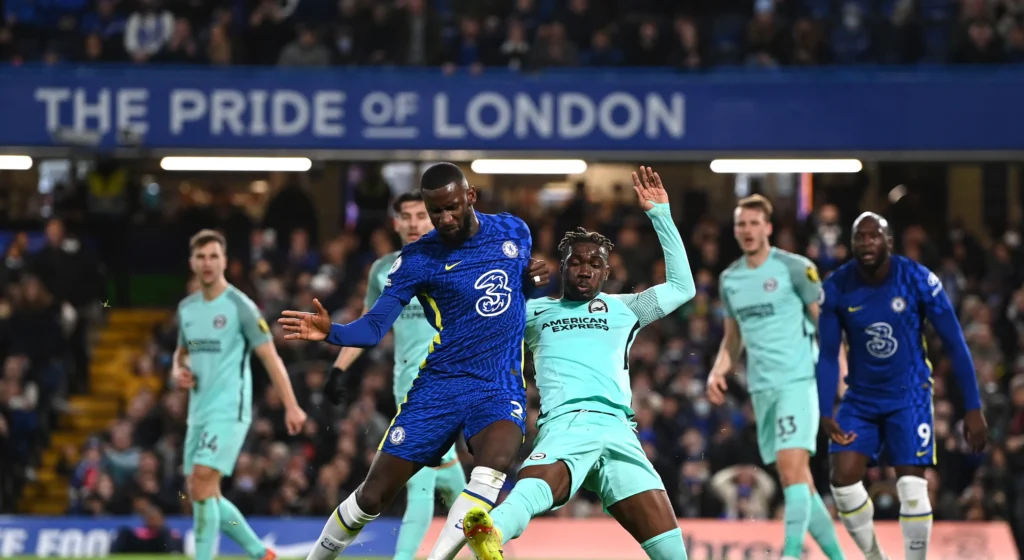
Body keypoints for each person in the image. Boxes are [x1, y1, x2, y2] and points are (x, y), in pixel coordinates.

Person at [278, 162, 550, 560]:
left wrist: (533, 280)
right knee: (372, 496)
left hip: (498, 384)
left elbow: (519, 286)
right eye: (435, 211)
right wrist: (331, 331)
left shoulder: (513, 230)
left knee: (492, 469)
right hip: (440, 387)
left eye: (452, 207)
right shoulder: (418, 258)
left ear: (470, 197)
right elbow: (373, 328)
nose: (445, 218)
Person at [461, 167, 693, 560]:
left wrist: (661, 216)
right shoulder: (533, 312)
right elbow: (477, 323)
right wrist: (514, 282)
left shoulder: (625, 308)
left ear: (607, 271)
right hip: (567, 423)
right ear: (562, 265)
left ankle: (492, 531)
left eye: (594, 263)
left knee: (672, 551)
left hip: (619, 431)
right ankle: (491, 532)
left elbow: (682, 288)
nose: (585, 269)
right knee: (535, 489)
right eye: (576, 261)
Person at [816, 212, 988, 560]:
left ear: (889, 243)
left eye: (874, 236)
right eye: (860, 237)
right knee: (842, 481)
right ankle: (875, 557)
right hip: (860, 399)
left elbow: (955, 343)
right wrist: (824, 410)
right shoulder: (836, 287)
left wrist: (973, 407)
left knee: (911, 487)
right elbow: (829, 356)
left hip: (909, 396)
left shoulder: (918, 279)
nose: (867, 242)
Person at [706, 194, 845, 560]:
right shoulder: (730, 280)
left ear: (768, 227)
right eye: (741, 224)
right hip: (762, 388)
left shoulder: (795, 268)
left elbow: (826, 325)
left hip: (798, 381)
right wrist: (718, 370)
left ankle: (791, 553)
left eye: (754, 223)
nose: (747, 230)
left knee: (791, 469)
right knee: (798, 481)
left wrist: (842, 374)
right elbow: (732, 338)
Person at [329, 192, 467, 560]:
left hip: (441, 387)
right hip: (405, 387)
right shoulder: (383, 269)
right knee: (454, 486)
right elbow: (370, 325)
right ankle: (498, 551)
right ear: (396, 223)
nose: (413, 223)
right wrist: (339, 368)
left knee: (419, 488)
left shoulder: (456, 259)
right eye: (406, 216)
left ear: (434, 218)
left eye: (421, 215)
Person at [173, 229, 308, 560]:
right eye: (201, 257)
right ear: (192, 263)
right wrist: (179, 370)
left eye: (213, 256)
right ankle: (261, 553)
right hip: (198, 410)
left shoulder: (240, 306)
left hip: (229, 408)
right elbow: (182, 354)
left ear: (224, 262)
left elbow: (271, 357)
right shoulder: (187, 309)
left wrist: (292, 406)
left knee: (202, 481)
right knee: (202, 490)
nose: (207, 263)